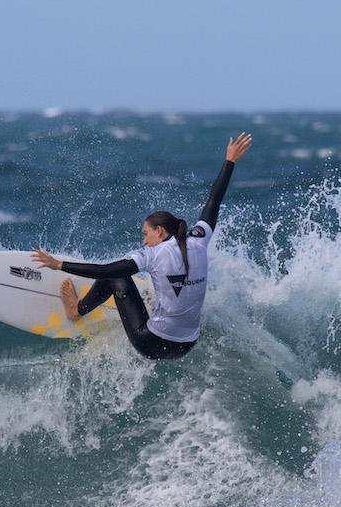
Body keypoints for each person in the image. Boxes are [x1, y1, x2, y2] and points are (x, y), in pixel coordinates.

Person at [31, 133, 252, 359]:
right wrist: (230, 160)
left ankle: (76, 311)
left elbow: (106, 271)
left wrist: (59, 264)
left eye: (146, 234)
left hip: (151, 343)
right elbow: (213, 201)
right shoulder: (199, 239)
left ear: (160, 231)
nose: (144, 241)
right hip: (186, 346)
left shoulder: (153, 255)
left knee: (116, 277)